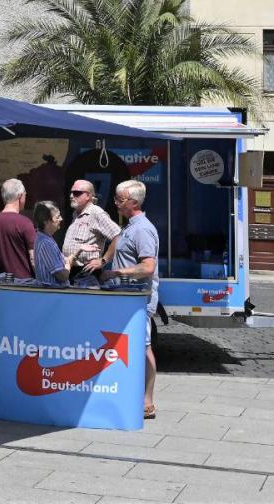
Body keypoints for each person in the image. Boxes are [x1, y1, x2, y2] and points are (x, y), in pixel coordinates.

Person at [104, 178, 159, 419]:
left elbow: (147, 267)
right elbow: (119, 241)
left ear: (134, 202)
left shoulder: (143, 229)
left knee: (143, 347)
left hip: (137, 301)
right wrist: (105, 259)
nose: (115, 203)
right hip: (125, 298)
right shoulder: (129, 227)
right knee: (131, 347)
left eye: (120, 199)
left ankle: (147, 401)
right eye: (116, 198)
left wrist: (118, 272)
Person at [62, 179, 122, 281]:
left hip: (87, 273)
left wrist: (103, 260)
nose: (71, 196)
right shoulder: (76, 213)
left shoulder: (96, 213)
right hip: (71, 270)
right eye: (71, 192)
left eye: (76, 193)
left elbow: (119, 236)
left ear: (88, 196)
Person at [0, 178, 36, 279]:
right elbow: (33, 258)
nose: (26, 198)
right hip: (24, 284)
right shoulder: (25, 223)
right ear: (20, 196)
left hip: (3, 282)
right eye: (25, 194)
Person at [30, 201, 69, 286]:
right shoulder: (45, 242)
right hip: (54, 295)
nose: (61, 219)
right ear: (46, 221)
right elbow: (62, 275)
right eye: (57, 217)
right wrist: (69, 264)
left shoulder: (47, 238)